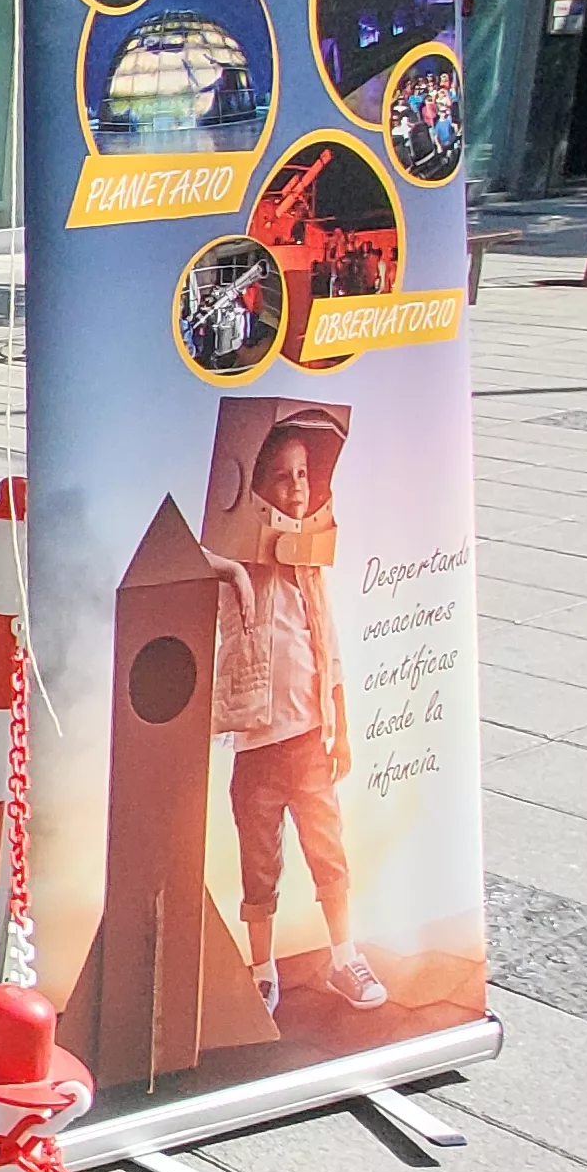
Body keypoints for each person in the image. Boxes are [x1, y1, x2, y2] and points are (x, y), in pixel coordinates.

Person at [211, 417, 380, 1016]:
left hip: (309, 740)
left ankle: (344, 957)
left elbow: (328, 648)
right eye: (282, 478)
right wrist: (233, 565)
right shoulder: (240, 564)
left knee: (327, 852)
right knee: (259, 867)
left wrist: (341, 725)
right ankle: (262, 969)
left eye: (304, 475)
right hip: (258, 747)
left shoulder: (309, 568)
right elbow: (196, 557)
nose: (297, 489)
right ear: (257, 489)